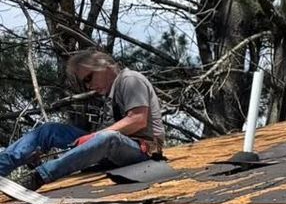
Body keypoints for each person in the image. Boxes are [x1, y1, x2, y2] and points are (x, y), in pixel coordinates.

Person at [0, 48, 166, 188]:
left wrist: (94, 137)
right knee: (50, 131)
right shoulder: (110, 95)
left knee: (108, 138)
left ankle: (39, 177)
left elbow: (138, 119)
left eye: (88, 78)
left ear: (104, 66)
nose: (89, 86)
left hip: (144, 151)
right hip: (114, 146)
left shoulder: (130, 80)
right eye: (84, 83)